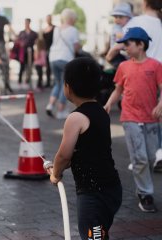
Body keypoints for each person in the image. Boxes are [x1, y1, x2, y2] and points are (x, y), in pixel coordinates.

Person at [46, 57, 122, 239]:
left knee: (93, 234)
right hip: (112, 188)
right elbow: (89, 149)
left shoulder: (75, 118)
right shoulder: (101, 112)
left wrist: (55, 174)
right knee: (99, 232)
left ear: (68, 87)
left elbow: (64, 155)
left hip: (93, 194)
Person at [104, 27, 162, 212]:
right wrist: (108, 104)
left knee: (151, 156)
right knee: (140, 158)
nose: (124, 48)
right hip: (129, 117)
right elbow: (118, 89)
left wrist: (160, 104)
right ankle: (146, 194)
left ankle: (143, 189)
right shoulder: (123, 66)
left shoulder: (155, 65)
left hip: (151, 119)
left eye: (127, 44)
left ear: (140, 44)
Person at [106, 0, 162, 172]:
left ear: (145, 3)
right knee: (155, 117)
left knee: (139, 117)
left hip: (141, 72)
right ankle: (156, 154)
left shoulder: (136, 22)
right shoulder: (159, 22)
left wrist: (110, 54)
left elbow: (123, 43)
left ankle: (142, 156)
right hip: (157, 71)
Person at [45, 8, 81, 120]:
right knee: (66, 85)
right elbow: (76, 48)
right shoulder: (73, 30)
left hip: (53, 58)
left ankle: (50, 105)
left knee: (58, 83)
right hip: (65, 58)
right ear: (71, 18)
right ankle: (61, 110)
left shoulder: (57, 29)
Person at [106, 2, 133, 69]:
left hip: (121, 53)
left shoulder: (127, 27)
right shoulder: (117, 27)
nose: (117, 19)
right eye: (115, 17)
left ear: (128, 18)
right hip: (116, 55)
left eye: (120, 17)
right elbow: (119, 40)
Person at [17, 18, 38, 88]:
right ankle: (19, 82)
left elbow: (37, 42)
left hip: (30, 52)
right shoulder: (21, 33)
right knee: (22, 67)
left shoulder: (34, 33)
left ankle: (27, 81)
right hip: (23, 53)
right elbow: (18, 41)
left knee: (29, 67)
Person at [43, 14, 55, 88]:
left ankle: (54, 81)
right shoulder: (45, 29)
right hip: (46, 50)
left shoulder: (55, 28)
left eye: (49, 18)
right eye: (47, 19)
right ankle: (48, 81)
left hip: (53, 50)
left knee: (52, 66)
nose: (48, 20)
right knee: (47, 67)